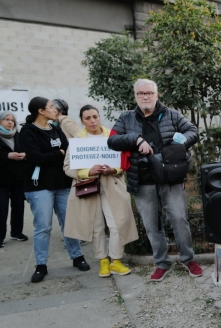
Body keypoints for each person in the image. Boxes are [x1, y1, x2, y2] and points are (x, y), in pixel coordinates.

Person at [107, 79, 202, 282]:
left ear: (157, 95)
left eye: (149, 93)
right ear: (135, 96)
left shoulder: (171, 114)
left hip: (170, 177)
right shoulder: (126, 118)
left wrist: (178, 146)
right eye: (141, 93)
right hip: (142, 179)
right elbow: (112, 141)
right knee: (151, 224)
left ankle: (188, 259)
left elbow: (193, 132)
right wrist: (135, 139)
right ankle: (162, 263)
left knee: (179, 218)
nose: (145, 97)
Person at [20, 97, 89, 283]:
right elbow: (35, 157)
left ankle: (77, 257)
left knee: (69, 223)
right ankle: (41, 265)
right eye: (51, 107)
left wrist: (57, 155)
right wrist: (58, 154)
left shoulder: (56, 129)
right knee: (43, 227)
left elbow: (68, 150)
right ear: (41, 111)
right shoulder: (27, 131)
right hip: (40, 187)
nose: (54, 110)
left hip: (63, 183)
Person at [64, 105, 138, 277]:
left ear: (99, 117)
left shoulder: (111, 136)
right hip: (88, 186)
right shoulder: (77, 139)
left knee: (117, 223)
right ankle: (103, 261)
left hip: (112, 185)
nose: (92, 121)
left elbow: (123, 162)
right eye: (88, 118)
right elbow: (67, 168)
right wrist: (88, 172)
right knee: (96, 226)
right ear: (82, 120)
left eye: (95, 117)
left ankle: (116, 261)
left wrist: (113, 170)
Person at [0, 111, 28, 246]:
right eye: (6, 119)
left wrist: (24, 154)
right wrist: (7, 156)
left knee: (18, 206)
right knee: (1, 208)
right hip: (2, 179)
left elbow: (27, 149)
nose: (10, 122)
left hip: (18, 178)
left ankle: (17, 232)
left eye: (12, 120)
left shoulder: (18, 135)